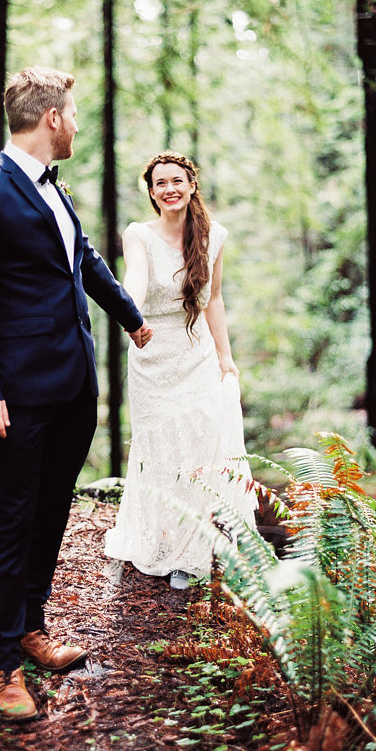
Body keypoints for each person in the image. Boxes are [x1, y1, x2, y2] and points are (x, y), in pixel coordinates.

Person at [0, 66, 153, 721]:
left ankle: (31, 626)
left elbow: (83, 260)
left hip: (71, 389)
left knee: (51, 513)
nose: (79, 126)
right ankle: (0, 663)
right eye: (75, 114)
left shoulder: (52, 189)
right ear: (54, 118)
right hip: (15, 396)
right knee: (12, 521)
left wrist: (133, 318)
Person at [104, 151, 256, 589]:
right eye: (159, 184)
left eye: (176, 181)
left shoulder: (215, 236)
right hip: (153, 353)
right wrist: (129, 312)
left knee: (199, 450)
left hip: (198, 353)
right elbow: (135, 278)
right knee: (161, 453)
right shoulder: (138, 235)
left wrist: (226, 356)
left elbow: (215, 300)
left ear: (191, 184)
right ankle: (160, 539)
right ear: (151, 193)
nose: (169, 189)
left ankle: (189, 554)